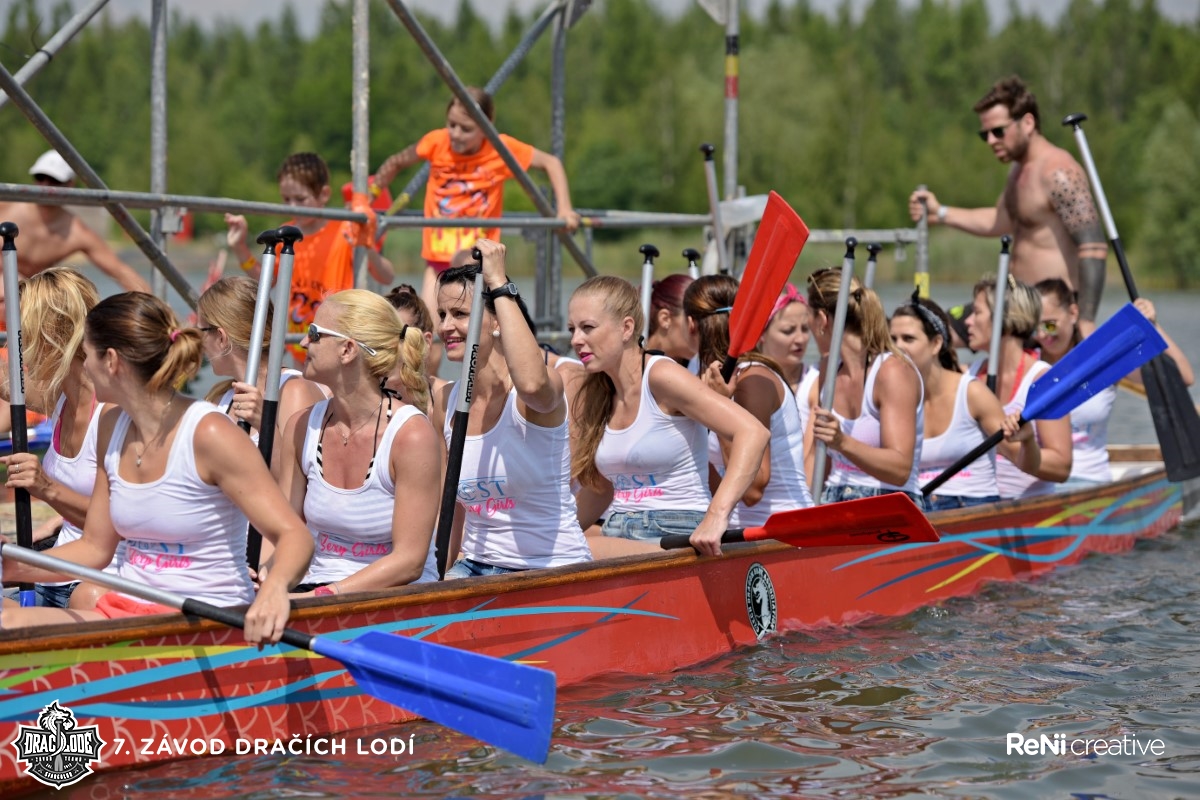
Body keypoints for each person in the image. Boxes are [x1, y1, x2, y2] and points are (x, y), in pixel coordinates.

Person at [0, 292, 313, 641]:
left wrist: (274, 589)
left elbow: (294, 536)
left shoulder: (209, 432)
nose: (83, 367)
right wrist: (9, 565)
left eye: (87, 355)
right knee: (6, 621)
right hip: (128, 608)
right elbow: (95, 548)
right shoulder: (111, 427)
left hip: (205, 619)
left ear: (111, 361)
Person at [568, 275, 769, 558]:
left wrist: (717, 515)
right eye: (572, 329)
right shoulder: (600, 392)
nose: (576, 340)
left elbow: (752, 432)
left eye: (587, 328)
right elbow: (601, 490)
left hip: (676, 531)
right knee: (558, 551)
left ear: (626, 328)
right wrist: (556, 536)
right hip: (621, 532)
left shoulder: (661, 375)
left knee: (583, 550)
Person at [432, 240, 591, 577]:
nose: (445, 326)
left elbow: (532, 384)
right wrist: (435, 582)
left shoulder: (535, 392)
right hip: (472, 567)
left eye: (460, 314)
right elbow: (450, 512)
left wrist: (499, 283)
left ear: (497, 321)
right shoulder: (447, 401)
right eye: (442, 314)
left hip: (548, 568)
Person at [908, 76, 1107, 333]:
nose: (991, 141)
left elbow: (1093, 248)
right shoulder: (1018, 170)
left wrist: (1086, 320)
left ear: (1028, 123)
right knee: (933, 329)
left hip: (1049, 319)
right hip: (1015, 305)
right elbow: (999, 220)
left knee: (939, 334)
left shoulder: (1058, 171)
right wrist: (941, 212)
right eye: (985, 135)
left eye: (998, 131)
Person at [278, 290, 442, 595]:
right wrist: (267, 580)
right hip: (316, 588)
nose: (302, 343)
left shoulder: (411, 435)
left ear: (347, 350)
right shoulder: (300, 426)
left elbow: (409, 562)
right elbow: (283, 533)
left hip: (396, 596)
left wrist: (327, 594)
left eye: (314, 334)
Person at [372, 87, 580, 328]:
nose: (456, 134)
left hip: (475, 257)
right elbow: (397, 162)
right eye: (451, 124)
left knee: (471, 326)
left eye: (466, 129)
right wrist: (371, 193)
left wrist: (564, 208)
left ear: (486, 125)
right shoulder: (437, 141)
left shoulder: (499, 147)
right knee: (428, 331)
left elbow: (551, 163)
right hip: (437, 257)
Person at [0, 268, 110, 608]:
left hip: (99, 583)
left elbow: (121, 524)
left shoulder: (113, 411)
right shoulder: (63, 395)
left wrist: (46, 487)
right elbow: (7, 383)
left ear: (50, 337)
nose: (15, 348)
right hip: (56, 573)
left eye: (22, 335)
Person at [225, 152, 395, 365]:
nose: (292, 206)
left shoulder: (344, 229)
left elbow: (386, 276)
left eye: (300, 199)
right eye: (286, 199)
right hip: (300, 343)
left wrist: (366, 245)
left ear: (324, 194)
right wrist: (240, 247)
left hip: (336, 341)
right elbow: (268, 280)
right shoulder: (286, 233)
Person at [1034, 278, 1194, 489]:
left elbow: (1182, 377)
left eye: (1050, 325)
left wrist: (1151, 325)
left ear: (1073, 313)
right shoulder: (1027, 362)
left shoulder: (1102, 360)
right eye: (1034, 327)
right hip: (1037, 483)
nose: (1042, 335)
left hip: (1089, 481)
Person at [890, 293, 1038, 511]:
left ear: (936, 344)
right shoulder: (891, 398)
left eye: (908, 339)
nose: (897, 347)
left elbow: (1026, 464)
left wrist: (1028, 440)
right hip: (916, 507)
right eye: (892, 340)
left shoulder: (972, 393)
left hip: (970, 508)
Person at [805, 269, 927, 509]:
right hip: (833, 498)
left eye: (807, 317)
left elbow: (900, 469)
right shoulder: (828, 367)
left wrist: (842, 442)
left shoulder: (892, 372)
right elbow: (816, 458)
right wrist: (804, 510)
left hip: (889, 502)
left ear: (822, 320)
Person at [694, 275, 813, 524]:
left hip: (781, 530)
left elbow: (752, 490)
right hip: (736, 529)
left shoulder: (753, 379)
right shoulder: (710, 379)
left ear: (690, 325)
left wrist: (720, 412)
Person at [964, 275, 1072, 497]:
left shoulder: (1042, 380)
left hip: (1027, 505)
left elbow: (1061, 468)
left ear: (1004, 319)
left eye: (976, 312)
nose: (967, 321)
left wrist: (1018, 445)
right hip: (974, 501)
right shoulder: (969, 375)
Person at [197, 276, 327, 456]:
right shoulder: (218, 400)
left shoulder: (292, 392)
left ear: (221, 338)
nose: (199, 342)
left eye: (201, 332)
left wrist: (264, 424)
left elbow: (299, 473)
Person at [0, 151, 151, 303]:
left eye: (54, 180)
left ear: (70, 184)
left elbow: (121, 272)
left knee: (66, 298)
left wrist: (153, 308)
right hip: (9, 294)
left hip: (29, 300)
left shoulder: (76, 232)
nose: (45, 186)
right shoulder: (4, 208)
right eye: (40, 177)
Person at [757, 284, 819, 435]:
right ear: (761, 333)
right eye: (788, 331)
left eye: (805, 329)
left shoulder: (815, 381)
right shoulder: (744, 377)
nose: (800, 339)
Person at [384, 282, 449, 400]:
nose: (388, 345)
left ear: (426, 342)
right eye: (382, 335)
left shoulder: (451, 398)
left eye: (400, 335)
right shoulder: (360, 399)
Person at [644, 274, 697, 367]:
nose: (702, 326)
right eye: (694, 318)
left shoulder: (705, 366)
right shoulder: (626, 364)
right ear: (665, 319)